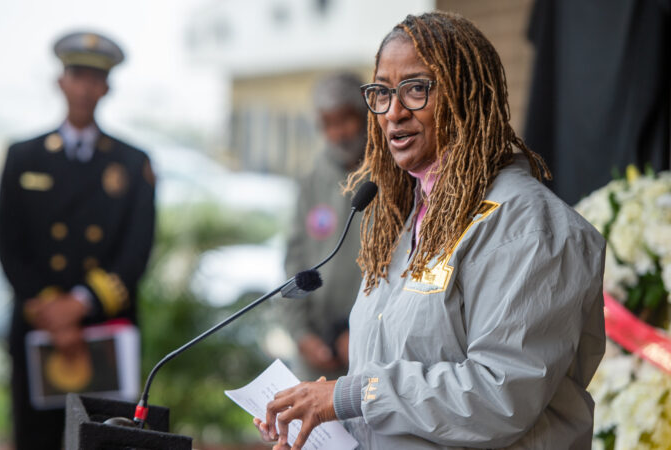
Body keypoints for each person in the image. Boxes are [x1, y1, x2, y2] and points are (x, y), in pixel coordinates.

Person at [255, 12, 605, 449]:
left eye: (416, 89)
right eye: (382, 92)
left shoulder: (528, 227)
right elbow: (394, 391)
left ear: (467, 93)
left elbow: (501, 396)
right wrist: (322, 419)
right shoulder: (407, 219)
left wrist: (352, 395)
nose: (394, 112)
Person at [0, 31, 155, 450]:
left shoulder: (132, 163)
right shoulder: (23, 157)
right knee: (35, 440)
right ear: (60, 82)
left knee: (101, 440)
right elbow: (7, 243)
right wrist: (51, 311)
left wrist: (78, 306)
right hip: (38, 327)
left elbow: (136, 253)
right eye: (77, 75)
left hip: (102, 329)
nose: (84, 87)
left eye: (94, 78)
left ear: (106, 88)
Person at [282, 72, 367, 380]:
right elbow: (294, 259)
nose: (338, 133)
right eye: (328, 124)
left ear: (366, 116)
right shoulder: (311, 180)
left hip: (368, 347)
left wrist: (363, 330)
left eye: (345, 120)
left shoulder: (391, 177)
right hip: (316, 350)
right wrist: (301, 333)